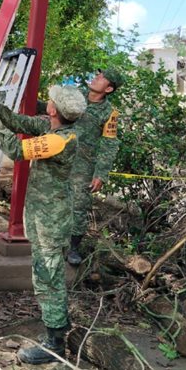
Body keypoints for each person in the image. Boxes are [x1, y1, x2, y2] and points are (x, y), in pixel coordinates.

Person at [0, 85, 86, 365]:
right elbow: (18, 122)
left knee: (48, 276)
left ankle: (55, 344)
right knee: (46, 274)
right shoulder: (51, 127)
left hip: (51, 220)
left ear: (53, 109)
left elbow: (15, 149)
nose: (46, 102)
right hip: (42, 216)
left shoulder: (60, 140)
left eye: (49, 101)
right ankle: (56, 324)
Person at [65, 68, 122, 266]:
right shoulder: (74, 96)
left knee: (79, 205)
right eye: (98, 74)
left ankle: (73, 248)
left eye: (102, 77)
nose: (97, 77)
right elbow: (51, 108)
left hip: (82, 165)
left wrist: (101, 174)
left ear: (108, 89)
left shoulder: (109, 114)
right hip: (57, 156)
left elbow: (109, 144)